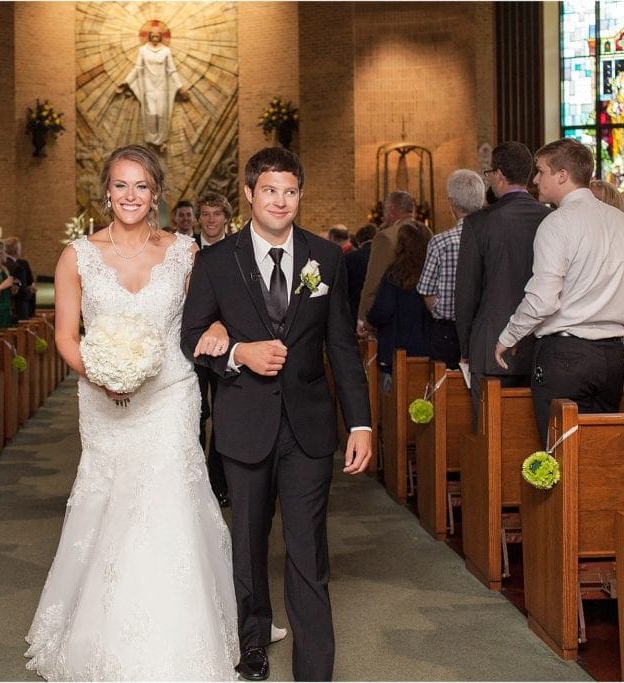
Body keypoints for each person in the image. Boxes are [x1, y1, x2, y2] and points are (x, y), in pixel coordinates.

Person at [25, 144, 238, 679]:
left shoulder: (186, 253)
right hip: (104, 401)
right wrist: (100, 375)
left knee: (168, 504)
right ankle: (104, 641)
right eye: (121, 185)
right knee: (112, 504)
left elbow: (209, 315)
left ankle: (180, 642)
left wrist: (217, 327)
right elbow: (66, 335)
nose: (130, 196)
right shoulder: (77, 256)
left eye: (141, 186)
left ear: (156, 193)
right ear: (106, 192)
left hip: (170, 394)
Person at [182, 146, 373, 682]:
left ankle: (315, 670)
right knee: (248, 544)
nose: (281, 201)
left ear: (300, 195)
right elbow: (190, 336)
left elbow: (341, 347)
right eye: (270, 190)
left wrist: (360, 423)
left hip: (309, 428)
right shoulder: (217, 261)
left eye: (290, 191)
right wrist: (238, 352)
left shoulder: (326, 258)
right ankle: (253, 642)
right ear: (249, 193)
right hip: (244, 423)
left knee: (308, 548)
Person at [495, 138, 624, 443]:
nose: (535, 179)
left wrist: (509, 336)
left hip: (566, 355)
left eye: (541, 171)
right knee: (599, 451)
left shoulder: (557, 223)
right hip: (610, 356)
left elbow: (543, 298)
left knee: (558, 452)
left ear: (562, 175)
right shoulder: (623, 224)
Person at [454, 142, 553, 427]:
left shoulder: (478, 223)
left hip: (490, 346)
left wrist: (466, 348)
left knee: (491, 433)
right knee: (534, 434)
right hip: (540, 344)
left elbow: (466, 293)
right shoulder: (550, 218)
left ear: (498, 175)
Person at [416, 169, 485, 369]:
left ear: (452, 203)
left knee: (444, 383)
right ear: (481, 202)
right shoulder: (493, 240)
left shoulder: (440, 242)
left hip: (447, 332)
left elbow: (426, 291)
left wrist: (441, 310)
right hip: (484, 330)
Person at [193, 191, 232, 507]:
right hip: (193, 344)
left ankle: (219, 483)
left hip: (228, 343)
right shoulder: (187, 251)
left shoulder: (239, 249)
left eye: (217, 214)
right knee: (196, 411)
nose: (211, 220)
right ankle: (196, 483)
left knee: (223, 413)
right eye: (205, 214)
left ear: (226, 218)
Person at [368, 220, 433, 378]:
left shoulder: (395, 274)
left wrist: (369, 319)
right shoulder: (435, 271)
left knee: (394, 391)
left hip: (396, 350)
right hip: (430, 350)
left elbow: (383, 310)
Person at [117, 27, 189, 152]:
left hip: (162, 87)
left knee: (161, 114)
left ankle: (161, 141)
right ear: (149, 36)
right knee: (151, 114)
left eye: (157, 36)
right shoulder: (143, 50)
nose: (155, 38)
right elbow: (138, 68)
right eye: (153, 36)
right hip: (148, 87)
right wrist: (126, 81)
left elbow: (172, 70)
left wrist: (180, 86)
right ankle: (151, 140)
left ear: (160, 37)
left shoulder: (166, 51)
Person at [357, 190, 416, 335]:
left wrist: (363, 318)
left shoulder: (386, 237)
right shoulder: (428, 233)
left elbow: (374, 281)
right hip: (422, 315)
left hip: (394, 317)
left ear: (391, 209)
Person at [344, 222, 377, 328]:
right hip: (377, 309)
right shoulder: (384, 256)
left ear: (358, 241)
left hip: (355, 310)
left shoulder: (350, 258)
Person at [3, 236, 37, 321]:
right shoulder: (18, 268)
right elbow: (21, 293)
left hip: (6, 307)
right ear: (17, 251)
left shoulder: (1, 265)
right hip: (18, 309)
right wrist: (30, 291)